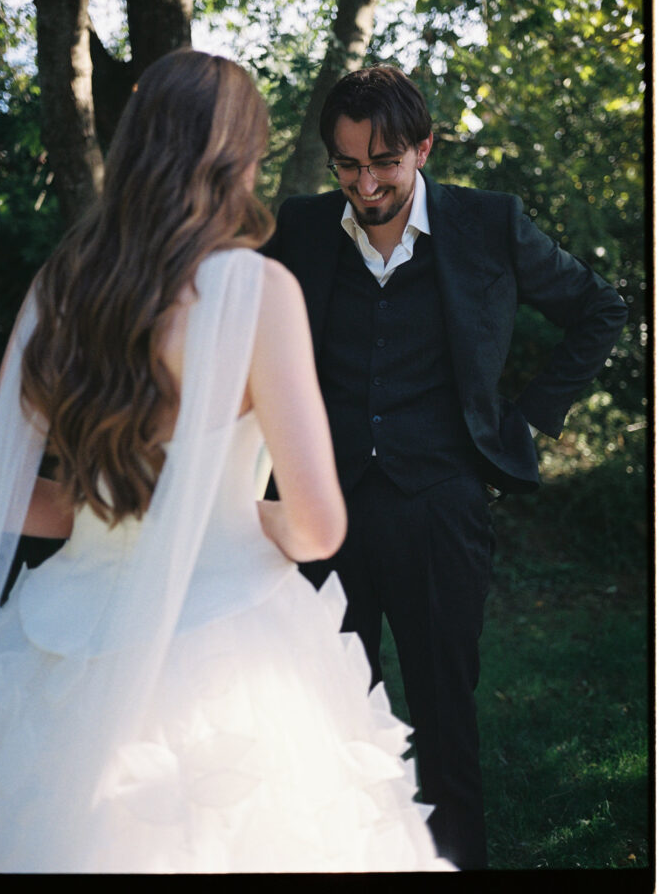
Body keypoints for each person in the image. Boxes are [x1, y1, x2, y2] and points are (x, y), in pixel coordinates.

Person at [0, 50, 457, 873]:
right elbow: (316, 528)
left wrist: (105, 514)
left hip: (63, 638)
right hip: (229, 642)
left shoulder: (60, 292)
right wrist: (250, 517)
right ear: (238, 156)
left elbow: (13, 492)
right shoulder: (254, 290)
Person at [263, 63, 628, 869]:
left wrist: (524, 420)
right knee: (326, 705)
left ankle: (458, 864)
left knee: (442, 713)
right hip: (323, 508)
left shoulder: (489, 223)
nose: (365, 183)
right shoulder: (298, 227)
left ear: (422, 148)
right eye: (348, 164)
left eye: (384, 162)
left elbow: (600, 309)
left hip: (442, 505)